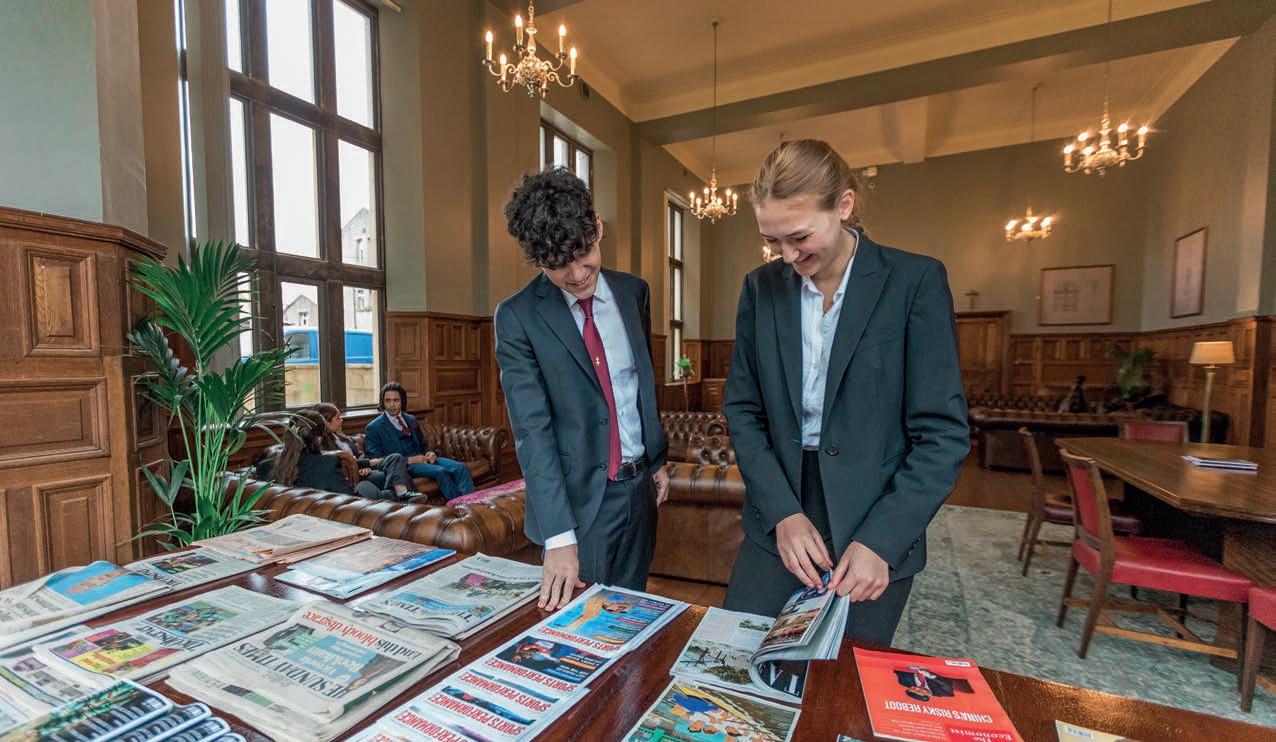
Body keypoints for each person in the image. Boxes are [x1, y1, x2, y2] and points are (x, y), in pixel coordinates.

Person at [722, 139, 969, 645]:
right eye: (772, 241)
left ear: (844, 206)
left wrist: (882, 540)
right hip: (779, 510)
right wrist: (783, 512)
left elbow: (942, 436)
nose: (788, 256)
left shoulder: (915, 281)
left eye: (799, 236)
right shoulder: (759, 288)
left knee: (844, 679)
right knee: (734, 659)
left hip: (876, 516)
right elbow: (743, 411)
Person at [495, 167, 669, 610]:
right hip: (578, 509)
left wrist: (656, 459)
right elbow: (532, 431)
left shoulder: (634, 293)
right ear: (539, 261)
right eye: (558, 265)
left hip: (641, 492)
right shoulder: (517, 318)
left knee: (631, 614)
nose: (576, 274)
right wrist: (558, 536)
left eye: (583, 253)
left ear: (597, 228)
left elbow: (639, 384)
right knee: (577, 627)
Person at [362, 382, 476, 500]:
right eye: (388, 401)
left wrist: (430, 452)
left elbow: (422, 444)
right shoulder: (374, 427)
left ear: (402, 401)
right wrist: (410, 460)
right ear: (383, 402)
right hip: (405, 466)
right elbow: (377, 460)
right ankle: (458, 506)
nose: (392, 405)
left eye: (396, 400)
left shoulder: (411, 419)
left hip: (424, 459)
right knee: (440, 471)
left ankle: (470, 504)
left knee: (461, 468)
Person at [272, 408, 397, 499]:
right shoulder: (327, 463)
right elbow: (351, 499)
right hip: (334, 518)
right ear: (318, 438)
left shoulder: (268, 466)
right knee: (371, 488)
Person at [313, 402, 414, 500]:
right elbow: (341, 464)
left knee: (396, 458)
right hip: (354, 476)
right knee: (391, 475)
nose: (341, 420)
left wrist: (365, 465)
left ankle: (398, 495)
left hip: (364, 467)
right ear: (326, 422)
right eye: (338, 418)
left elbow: (358, 453)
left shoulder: (338, 435)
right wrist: (366, 464)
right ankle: (402, 497)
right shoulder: (322, 444)